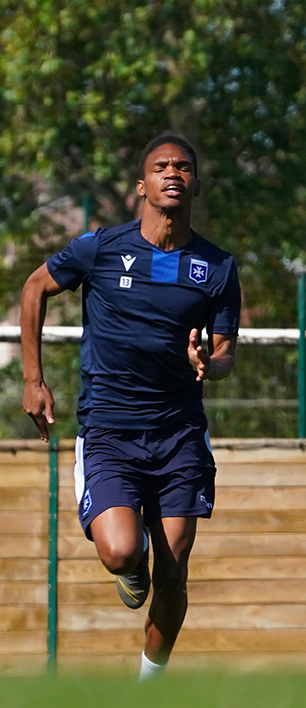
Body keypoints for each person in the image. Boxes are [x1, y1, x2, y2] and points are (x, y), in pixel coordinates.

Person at [19, 134, 241, 680]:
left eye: (184, 167)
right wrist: (33, 380)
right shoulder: (100, 248)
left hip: (179, 434)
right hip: (110, 431)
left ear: (195, 183)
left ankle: (149, 688)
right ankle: (129, 568)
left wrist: (209, 364)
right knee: (121, 552)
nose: (173, 173)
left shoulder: (216, 266)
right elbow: (33, 288)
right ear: (142, 185)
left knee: (175, 568)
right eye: (161, 167)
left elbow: (227, 351)